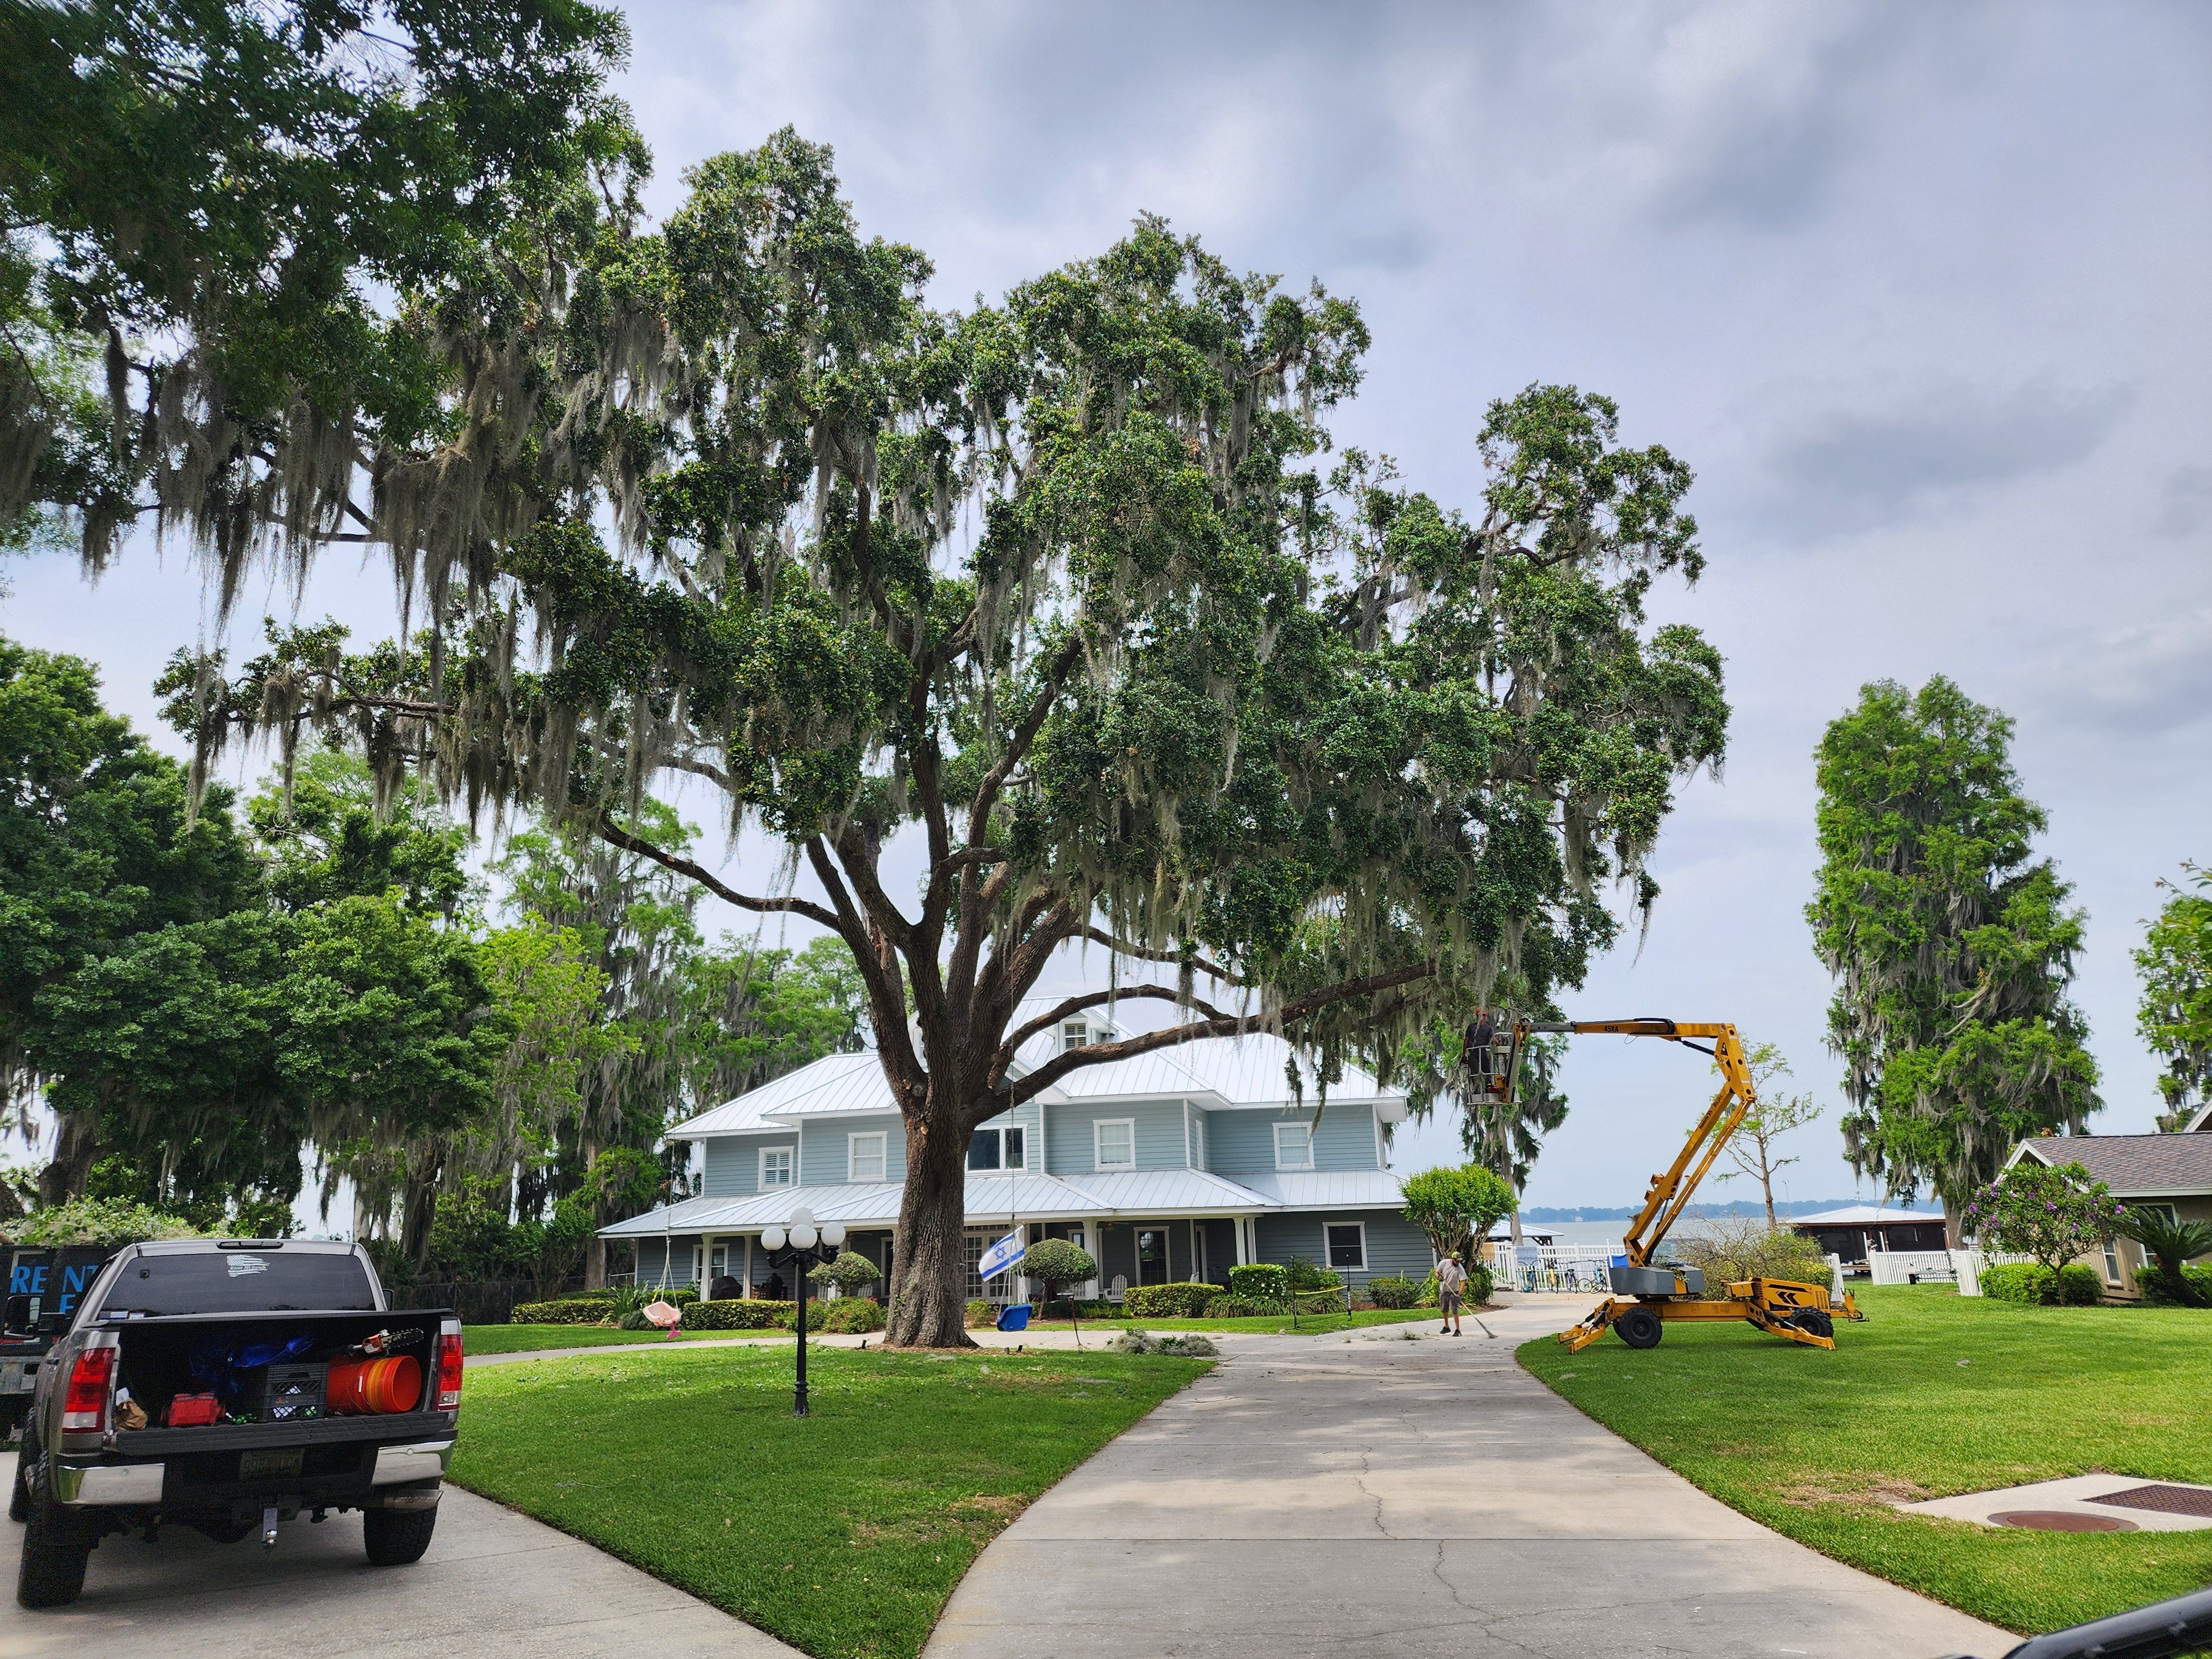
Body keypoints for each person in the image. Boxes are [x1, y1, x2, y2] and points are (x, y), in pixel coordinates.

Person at [1437, 1251, 1468, 1335]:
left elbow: (1463, 1282)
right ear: (1453, 1259)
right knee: (1444, 1309)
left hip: (1454, 1291)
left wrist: (1460, 1294)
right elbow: (1436, 1272)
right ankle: (1447, 1327)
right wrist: (1439, 1277)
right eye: (1457, 1261)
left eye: (1459, 1261)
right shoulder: (1444, 1263)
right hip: (1444, 1290)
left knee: (1455, 1310)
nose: (1458, 1263)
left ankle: (1458, 1330)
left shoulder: (1460, 1268)